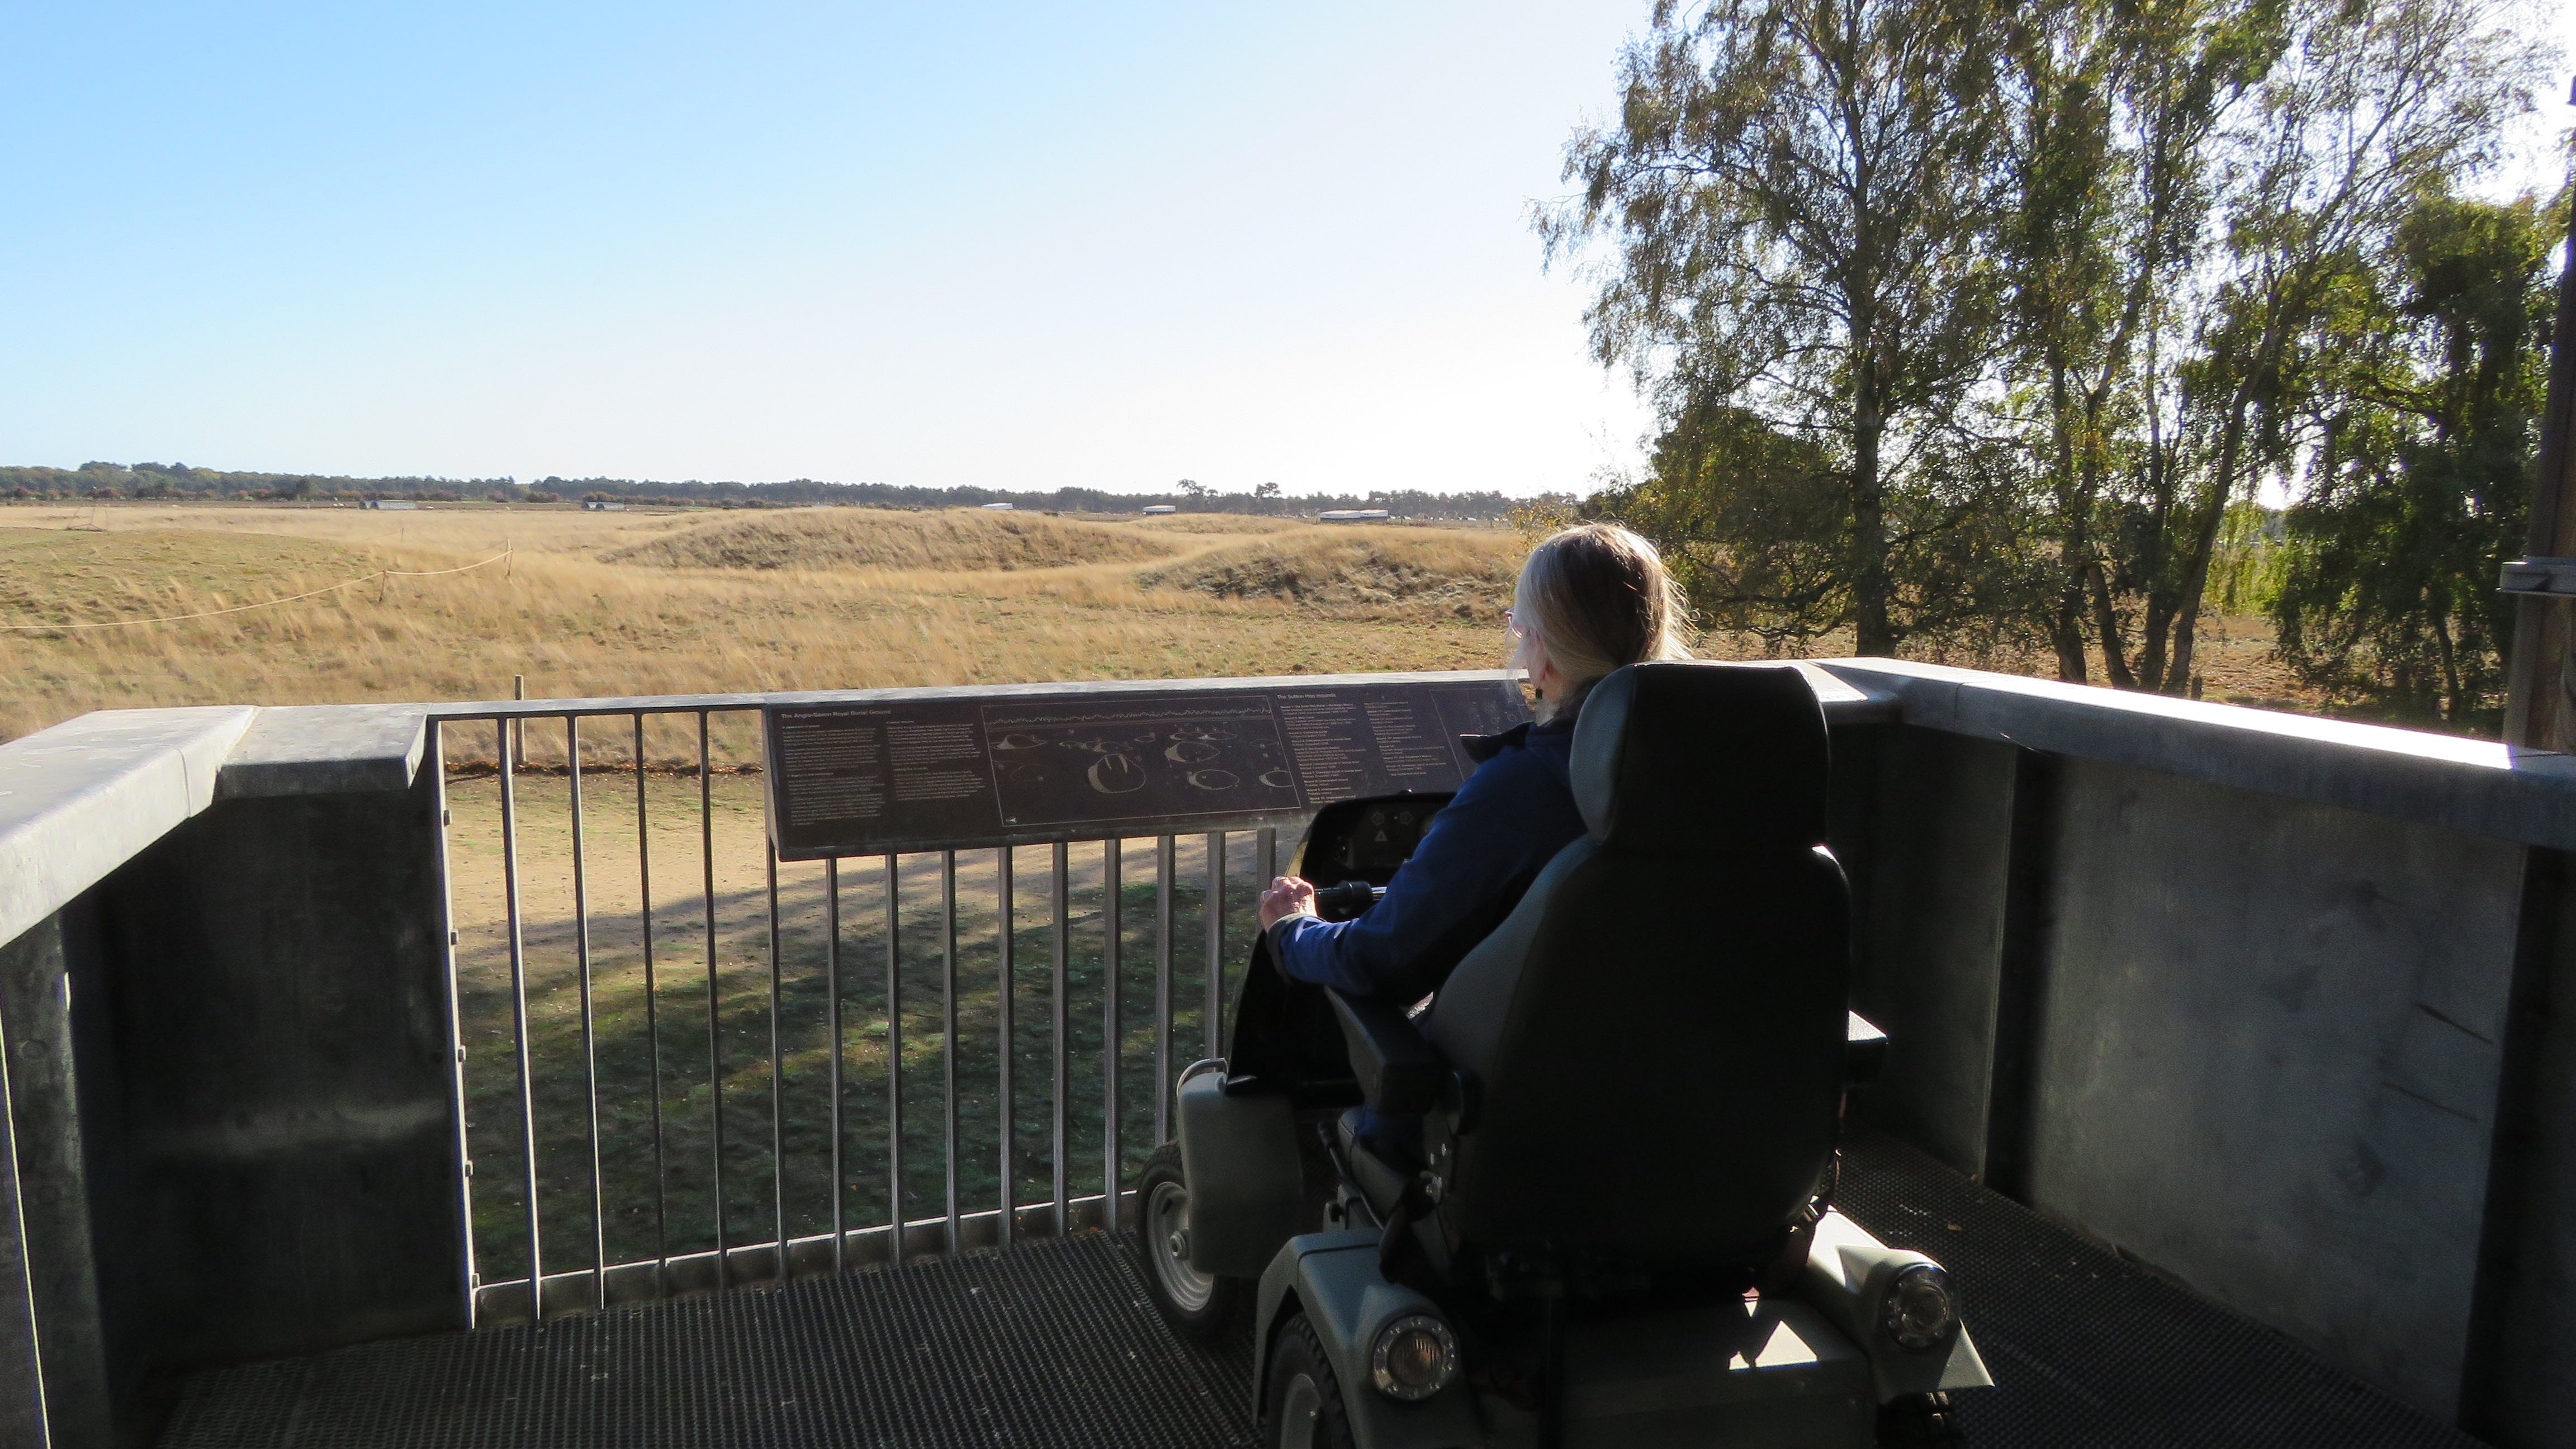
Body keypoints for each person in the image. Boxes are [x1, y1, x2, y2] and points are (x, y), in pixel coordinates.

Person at [1256, 523, 1694, 1008]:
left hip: (1543, 1071)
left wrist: (1294, 926)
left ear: (1544, 651)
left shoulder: (1525, 787)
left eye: (1520, 629)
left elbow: (1376, 961)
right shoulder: (1722, 769)